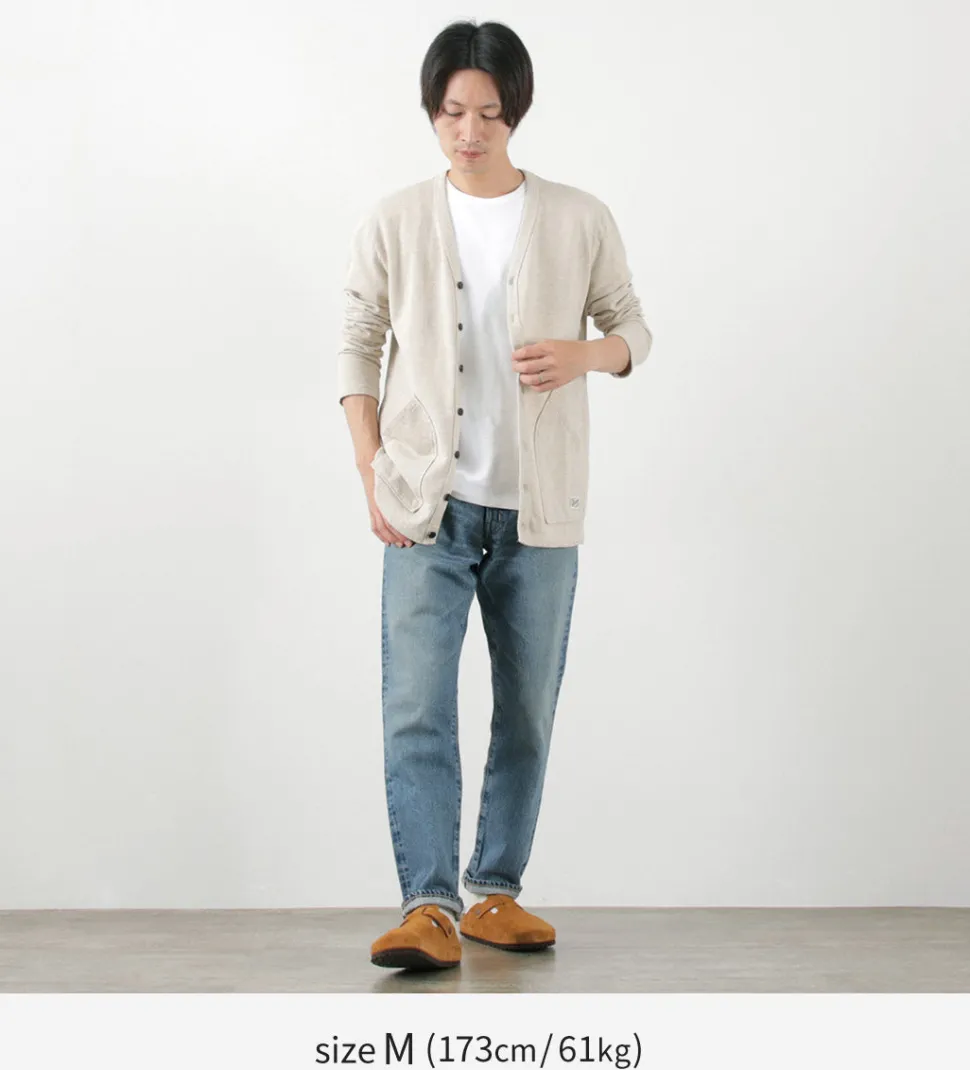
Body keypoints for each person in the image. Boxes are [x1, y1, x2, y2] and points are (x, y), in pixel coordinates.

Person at [337, 19, 652, 970]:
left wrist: (585, 355)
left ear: (516, 113)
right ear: (431, 112)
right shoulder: (397, 218)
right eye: (451, 113)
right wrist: (372, 471)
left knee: (528, 710)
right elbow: (358, 344)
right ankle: (428, 907)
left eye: (488, 114)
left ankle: (496, 893)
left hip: (540, 512)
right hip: (425, 508)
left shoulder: (577, 216)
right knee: (416, 709)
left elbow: (633, 328)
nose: (468, 132)